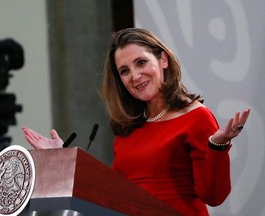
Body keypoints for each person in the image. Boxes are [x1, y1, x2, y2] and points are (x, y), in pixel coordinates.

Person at [22, 28, 250, 215]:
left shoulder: (196, 117)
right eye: (124, 71)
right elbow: (111, 192)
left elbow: (214, 196)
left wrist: (217, 146)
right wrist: (62, 158)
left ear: (163, 60)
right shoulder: (128, 127)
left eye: (141, 62)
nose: (134, 76)